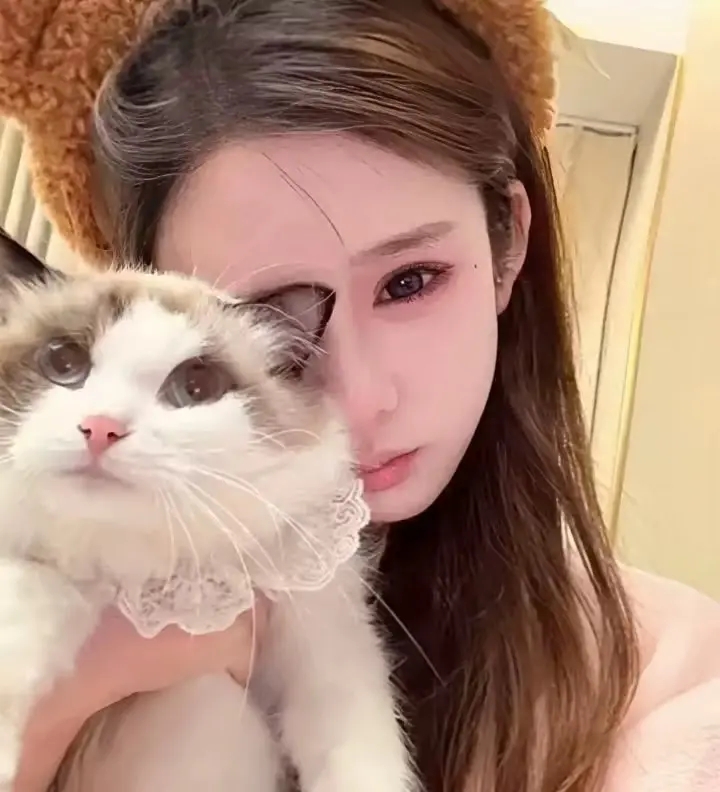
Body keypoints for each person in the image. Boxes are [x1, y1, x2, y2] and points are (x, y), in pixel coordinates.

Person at [15, 1, 720, 790]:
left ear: (508, 243)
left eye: (411, 282)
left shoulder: (677, 689)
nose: (357, 399)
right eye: (264, 328)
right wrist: (56, 711)